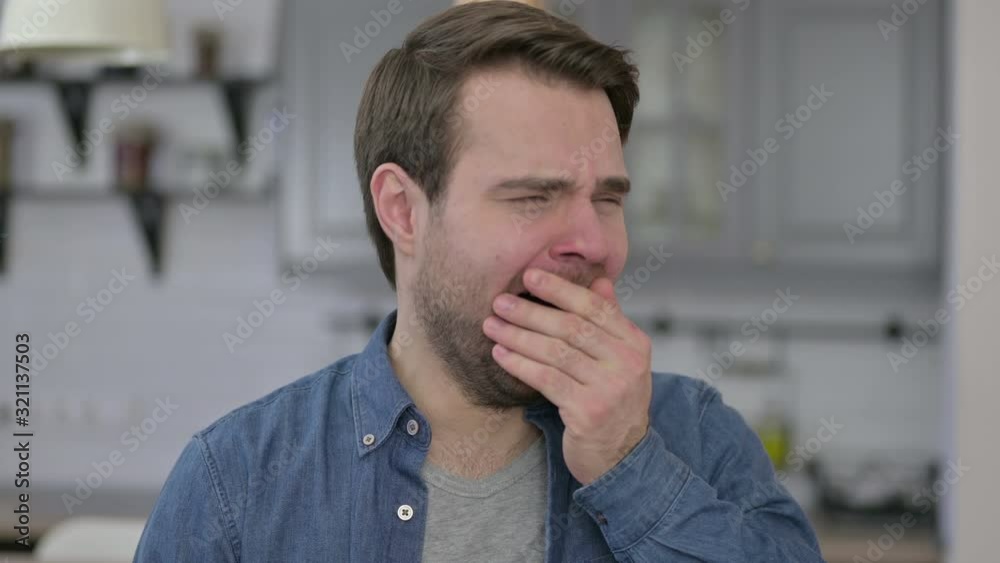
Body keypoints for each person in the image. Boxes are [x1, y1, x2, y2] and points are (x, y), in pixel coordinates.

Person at [134, 2, 824, 561]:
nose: (594, 244)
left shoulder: (698, 438)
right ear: (403, 209)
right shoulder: (238, 482)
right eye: (532, 197)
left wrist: (629, 464)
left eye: (608, 199)